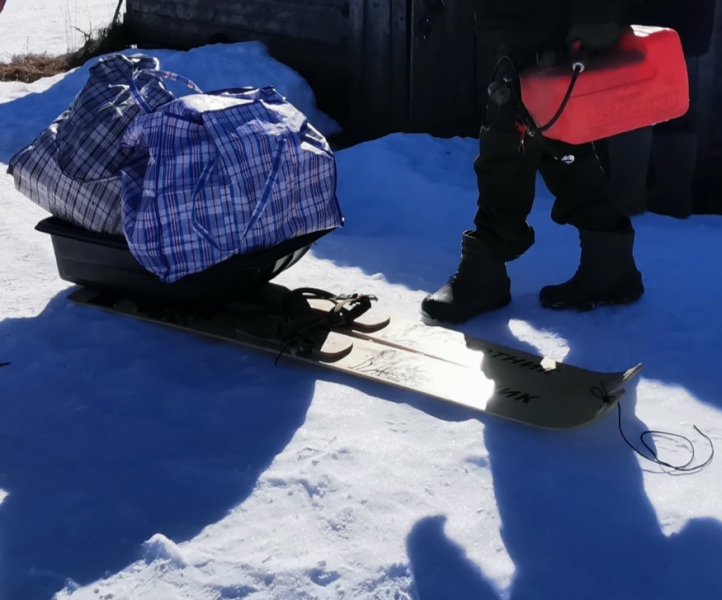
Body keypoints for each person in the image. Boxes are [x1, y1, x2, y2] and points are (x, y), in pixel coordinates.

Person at [421, 0, 644, 323]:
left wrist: (597, 13)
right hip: (521, 20)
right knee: (559, 140)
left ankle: (485, 270)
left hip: (553, 20)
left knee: (509, 139)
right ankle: (610, 265)